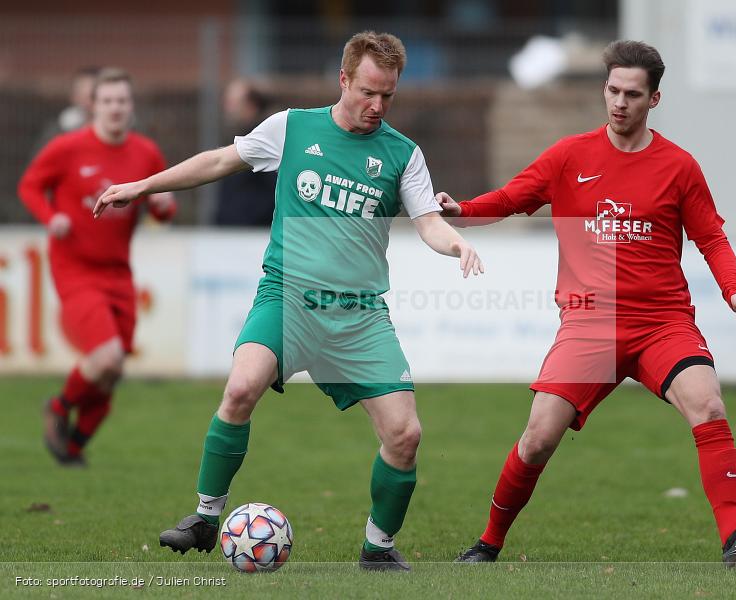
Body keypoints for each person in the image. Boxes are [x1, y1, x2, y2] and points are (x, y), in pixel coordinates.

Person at [93, 31, 484, 571]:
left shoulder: (402, 154)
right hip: (288, 297)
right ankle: (206, 518)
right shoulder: (292, 128)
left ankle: (378, 548)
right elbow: (216, 162)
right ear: (344, 80)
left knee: (405, 435)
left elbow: (428, 222)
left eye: (388, 96)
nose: (377, 105)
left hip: (358, 314)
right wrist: (143, 186)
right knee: (240, 388)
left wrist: (456, 242)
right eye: (368, 91)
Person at [439, 40, 736, 567]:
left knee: (709, 405)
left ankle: (733, 540)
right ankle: (487, 545)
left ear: (655, 99)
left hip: (661, 324)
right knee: (537, 440)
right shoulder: (569, 156)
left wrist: (733, 291)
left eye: (632, 94)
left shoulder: (679, 166)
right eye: (613, 91)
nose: (620, 102)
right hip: (590, 323)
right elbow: (513, 198)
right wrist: (460, 209)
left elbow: (712, 238)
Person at [19, 68, 176, 467]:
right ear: (93, 106)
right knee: (105, 358)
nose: (115, 108)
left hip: (118, 272)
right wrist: (50, 215)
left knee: (113, 371)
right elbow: (30, 186)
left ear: (131, 106)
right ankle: (58, 406)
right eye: (107, 101)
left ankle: (73, 446)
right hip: (75, 268)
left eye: (122, 101)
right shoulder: (67, 147)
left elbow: (165, 205)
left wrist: (162, 205)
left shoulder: (146, 152)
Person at [213, 79, 277, 226]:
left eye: (232, 103)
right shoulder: (242, 139)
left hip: (250, 234)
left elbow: (272, 191)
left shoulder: (262, 143)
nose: (226, 108)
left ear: (250, 106)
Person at [31, 67, 100, 156]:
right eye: (82, 93)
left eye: (92, 95)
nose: (88, 102)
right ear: (73, 96)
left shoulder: (118, 130)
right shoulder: (58, 130)